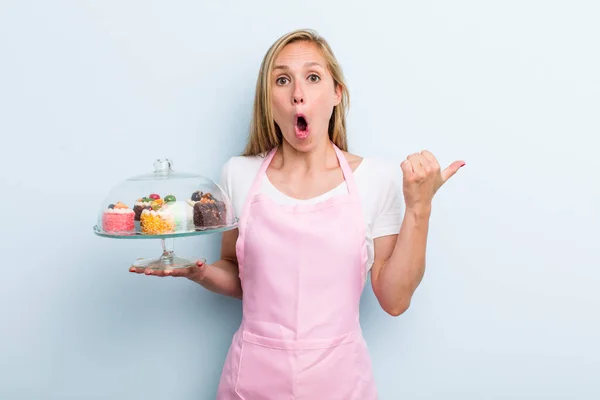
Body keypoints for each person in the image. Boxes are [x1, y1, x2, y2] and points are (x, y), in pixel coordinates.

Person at [130, 28, 464, 399]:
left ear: (336, 94)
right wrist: (200, 272)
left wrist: (420, 206)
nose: (297, 94)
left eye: (313, 77)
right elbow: (239, 274)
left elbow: (395, 299)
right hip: (251, 381)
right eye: (282, 80)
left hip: (341, 384)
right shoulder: (237, 174)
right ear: (268, 100)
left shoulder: (376, 178)